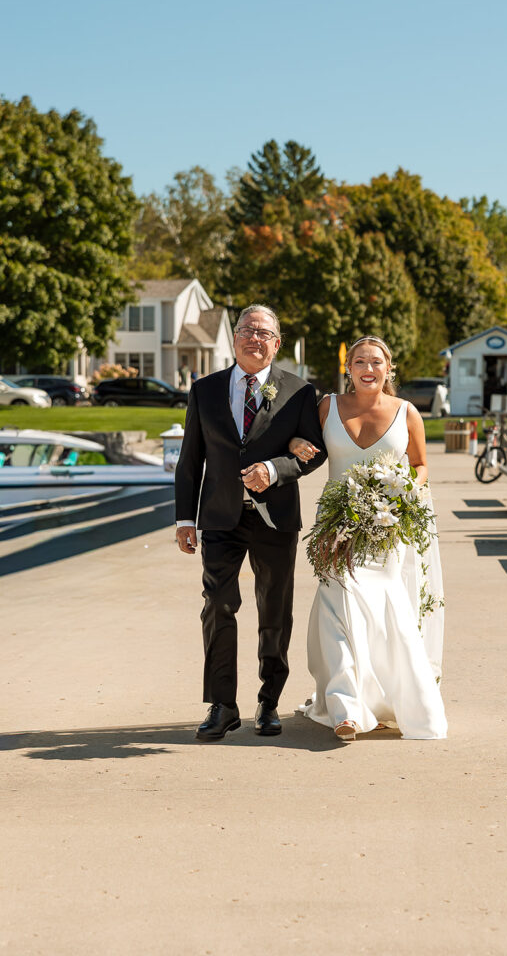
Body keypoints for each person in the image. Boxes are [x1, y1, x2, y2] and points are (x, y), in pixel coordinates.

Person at [175, 305, 326, 742]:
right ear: (234, 338)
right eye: (246, 330)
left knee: (274, 611)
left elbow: (312, 452)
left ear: (276, 344)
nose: (254, 338)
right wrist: (185, 518)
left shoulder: (299, 392)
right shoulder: (204, 390)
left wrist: (276, 470)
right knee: (218, 605)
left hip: (275, 518)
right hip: (220, 516)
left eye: (264, 333)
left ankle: (269, 701)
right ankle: (222, 705)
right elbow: (190, 460)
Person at [289, 336, 447, 742]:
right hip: (335, 525)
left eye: (377, 362)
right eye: (360, 361)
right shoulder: (327, 407)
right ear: (349, 368)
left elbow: (421, 465)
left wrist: (400, 493)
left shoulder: (408, 413)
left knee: (383, 610)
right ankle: (345, 708)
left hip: (385, 528)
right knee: (338, 604)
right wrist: (293, 442)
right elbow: (298, 441)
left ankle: (386, 699)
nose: (368, 368)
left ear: (388, 369)